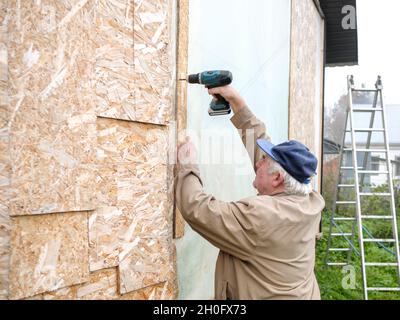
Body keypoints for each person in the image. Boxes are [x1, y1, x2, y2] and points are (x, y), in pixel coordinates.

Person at [175, 85, 325, 300]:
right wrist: (236, 101)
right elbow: (267, 152)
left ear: (277, 179)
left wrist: (187, 164)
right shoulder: (309, 200)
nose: (258, 163)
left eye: (263, 160)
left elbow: (197, 209)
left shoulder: (262, 217)